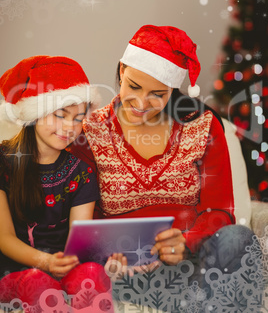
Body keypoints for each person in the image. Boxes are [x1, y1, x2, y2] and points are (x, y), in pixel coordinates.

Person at [71, 25, 257, 300]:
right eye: (133, 86)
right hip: (129, 272)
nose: (141, 102)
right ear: (122, 71)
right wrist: (110, 255)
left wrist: (186, 241)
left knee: (239, 239)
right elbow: (83, 219)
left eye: (157, 94)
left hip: (195, 263)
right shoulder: (90, 131)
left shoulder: (203, 126)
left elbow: (219, 211)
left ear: (172, 89)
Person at [0, 56, 113, 312]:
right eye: (60, 115)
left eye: (78, 118)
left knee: (92, 274)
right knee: (39, 282)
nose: (69, 127)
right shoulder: (3, 163)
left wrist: (103, 258)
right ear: (35, 113)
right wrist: (45, 262)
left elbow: (79, 240)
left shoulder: (81, 172)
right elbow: (4, 237)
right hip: (13, 271)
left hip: (62, 267)